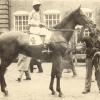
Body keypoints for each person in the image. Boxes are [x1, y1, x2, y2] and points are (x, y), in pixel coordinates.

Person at [79, 25, 100, 94]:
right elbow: (80, 39)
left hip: (97, 58)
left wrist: (97, 51)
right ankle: (87, 88)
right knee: (88, 73)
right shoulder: (87, 38)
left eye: (94, 28)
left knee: (98, 73)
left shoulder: (99, 39)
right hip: (89, 58)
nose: (92, 30)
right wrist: (82, 29)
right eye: (91, 28)